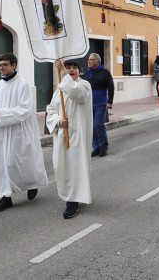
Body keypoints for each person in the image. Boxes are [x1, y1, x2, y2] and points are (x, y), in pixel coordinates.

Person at [0, 53, 48, 214]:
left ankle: (32, 184)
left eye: (5, 64)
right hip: (2, 131)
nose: (2, 67)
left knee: (22, 160)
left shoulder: (23, 84)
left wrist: (1, 114)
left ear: (14, 65)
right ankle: (6, 197)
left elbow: (25, 110)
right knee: (4, 164)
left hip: (19, 130)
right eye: (0, 65)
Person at [46, 59, 93, 219]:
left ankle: (73, 201)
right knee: (61, 166)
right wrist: (58, 121)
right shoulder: (59, 89)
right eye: (68, 68)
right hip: (62, 134)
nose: (71, 70)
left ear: (80, 71)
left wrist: (63, 72)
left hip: (78, 135)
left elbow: (76, 94)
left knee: (75, 167)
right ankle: (68, 195)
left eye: (74, 68)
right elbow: (50, 109)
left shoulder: (84, 85)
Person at [83, 53, 114, 157]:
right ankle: (96, 147)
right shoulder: (87, 73)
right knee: (91, 126)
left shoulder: (105, 72)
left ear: (98, 61)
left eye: (91, 59)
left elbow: (111, 87)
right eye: (88, 59)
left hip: (101, 103)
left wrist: (109, 101)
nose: (89, 61)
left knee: (98, 125)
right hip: (88, 104)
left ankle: (103, 146)